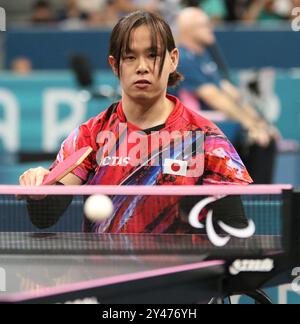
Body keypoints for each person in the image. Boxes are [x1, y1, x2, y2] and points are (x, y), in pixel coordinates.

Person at [20, 11, 252, 234]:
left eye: (153, 55)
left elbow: (234, 227)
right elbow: (44, 218)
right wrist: (39, 192)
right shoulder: (91, 135)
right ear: (115, 65)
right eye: (130, 57)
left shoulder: (206, 139)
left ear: (173, 60)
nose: (142, 66)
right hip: (108, 272)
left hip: (180, 273)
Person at [175, 7, 280, 184]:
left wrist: (261, 123)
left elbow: (232, 96)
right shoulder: (183, 59)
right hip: (195, 131)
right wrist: (250, 126)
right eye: (204, 25)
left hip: (219, 127)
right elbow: (215, 98)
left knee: (266, 139)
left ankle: (256, 199)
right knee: (259, 143)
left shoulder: (204, 57)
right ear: (188, 30)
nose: (210, 28)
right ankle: (251, 199)